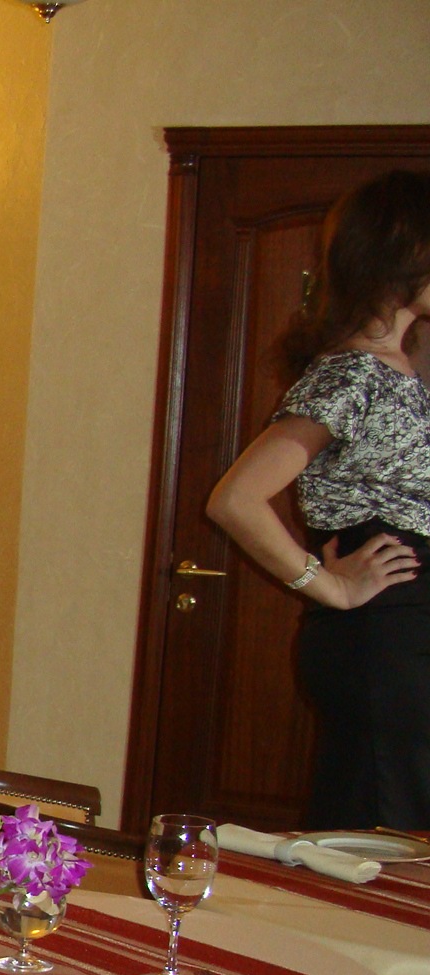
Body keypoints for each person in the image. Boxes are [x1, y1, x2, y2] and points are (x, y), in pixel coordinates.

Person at [206, 168, 430, 829]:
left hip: (403, 635)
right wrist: (325, 585)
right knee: (379, 845)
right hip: (383, 639)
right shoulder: (351, 374)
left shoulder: (404, 365)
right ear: (401, 254)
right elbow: (236, 498)